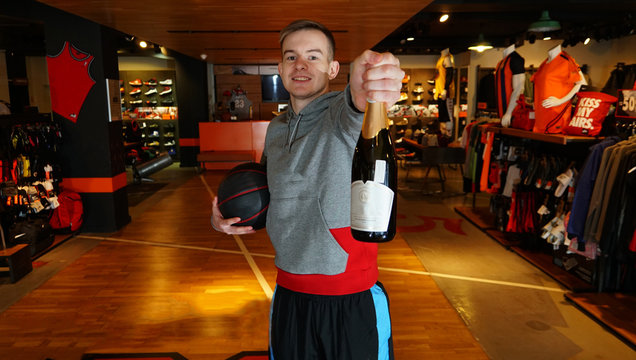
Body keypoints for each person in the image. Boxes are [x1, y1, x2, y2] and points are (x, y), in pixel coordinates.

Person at [211, 19, 404, 359]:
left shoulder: (343, 115)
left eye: (313, 57)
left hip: (349, 298)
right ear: (281, 67)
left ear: (333, 68)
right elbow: (272, 195)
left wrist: (364, 86)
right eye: (291, 57)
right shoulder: (276, 128)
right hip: (289, 293)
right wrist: (226, 216)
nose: (300, 65)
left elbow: (356, 104)